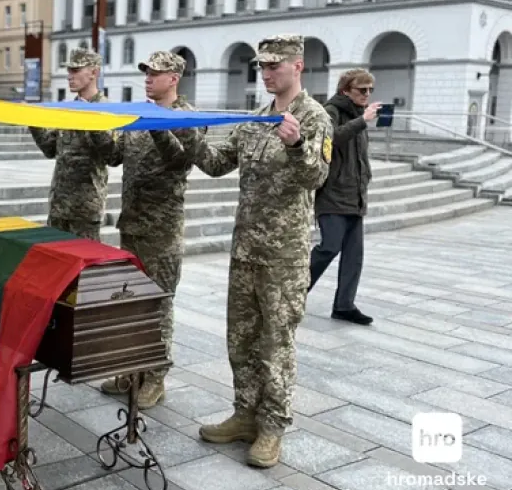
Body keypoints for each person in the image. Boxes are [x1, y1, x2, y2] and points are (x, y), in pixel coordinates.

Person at [172, 34, 331, 468]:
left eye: (274, 66)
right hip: (246, 249)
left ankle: (273, 427)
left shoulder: (314, 118)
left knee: (275, 343)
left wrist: (297, 144)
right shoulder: (255, 121)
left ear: (297, 66)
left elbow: (316, 177)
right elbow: (217, 163)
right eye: (261, 66)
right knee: (241, 339)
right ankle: (245, 414)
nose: (265, 73)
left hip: (285, 255)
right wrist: (188, 135)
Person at [96, 50, 202, 408]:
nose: (147, 78)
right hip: (133, 225)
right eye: (146, 72)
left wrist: (154, 125)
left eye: (155, 73)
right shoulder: (140, 112)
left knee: (158, 304)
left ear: (173, 78)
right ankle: (130, 369)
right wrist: (94, 127)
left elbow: (180, 160)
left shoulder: (187, 117)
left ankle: (155, 377)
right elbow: (113, 156)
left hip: (162, 230)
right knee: (130, 301)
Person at [309, 68, 381, 326]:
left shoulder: (359, 115)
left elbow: (359, 157)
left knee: (354, 253)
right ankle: (293, 293)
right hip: (332, 193)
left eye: (370, 90)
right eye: (362, 90)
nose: (367, 94)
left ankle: (344, 305)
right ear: (345, 91)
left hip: (355, 194)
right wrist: (363, 121)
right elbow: (331, 139)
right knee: (329, 246)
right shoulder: (331, 111)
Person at [27, 47, 110, 240]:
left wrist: (90, 121)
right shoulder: (68, 109)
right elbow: (50, 148)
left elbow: (111, 154)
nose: (69, 77)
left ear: (94, 72)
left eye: (75, 70)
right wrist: (33, 121)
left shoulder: (106, 110)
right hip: (59, 207)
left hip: (85, 209)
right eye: (68, 71)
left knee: (82, 267)